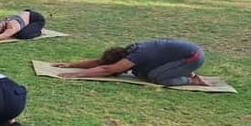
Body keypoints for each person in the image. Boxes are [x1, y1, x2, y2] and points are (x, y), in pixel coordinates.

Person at [56, 39, 209, 86]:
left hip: (193, 56)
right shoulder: (128, 51)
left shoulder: (135, 57)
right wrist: (70, 65)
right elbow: (101, 63)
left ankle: (192, 79)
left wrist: (77, 75)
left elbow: (107, 69)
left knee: (157, 77)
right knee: (141, 73)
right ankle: (182, 70)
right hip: (182, 55)